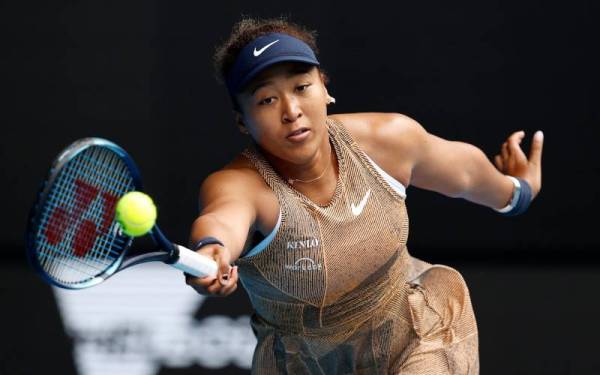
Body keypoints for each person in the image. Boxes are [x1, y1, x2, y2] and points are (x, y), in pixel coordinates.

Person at [185, 17, 543, 374]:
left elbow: (467, 175)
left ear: (324, 88)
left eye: (302, 87)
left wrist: (519, 190)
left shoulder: (389, 140)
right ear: (242, 121)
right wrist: (213, 248)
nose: (291, 112)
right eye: (266, 100)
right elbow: (221, 218)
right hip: (301, 363)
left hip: (417, 332)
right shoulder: (241, 184)